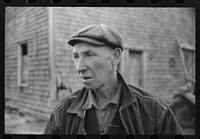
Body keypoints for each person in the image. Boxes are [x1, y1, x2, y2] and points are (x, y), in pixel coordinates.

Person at [44, 23, 183, 135]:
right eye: (76, 57)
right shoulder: (62, 113)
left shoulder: (154, 109)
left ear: (115, 57)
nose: (79, 67)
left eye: (89, 55)